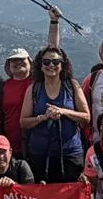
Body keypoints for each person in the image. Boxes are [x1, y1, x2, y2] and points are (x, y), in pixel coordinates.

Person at [21, 45, 89, 184]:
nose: (51, 65)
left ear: (62, 65)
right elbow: (23, 122)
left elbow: (86, 117)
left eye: (56, 62)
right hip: (40, 154)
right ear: (40, 66)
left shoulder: (72, 86)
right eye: (46, 62)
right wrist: (42, 118)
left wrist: (63, 111)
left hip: (70, 153)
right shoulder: (33, 89)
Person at [0, 47, 35, 158]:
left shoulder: (38, 85)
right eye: (14, 60)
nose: (18, 63)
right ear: (8, 66)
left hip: (37, 145)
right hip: (10, 146)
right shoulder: (1, 88)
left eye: (22, 59)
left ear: (30, 63)